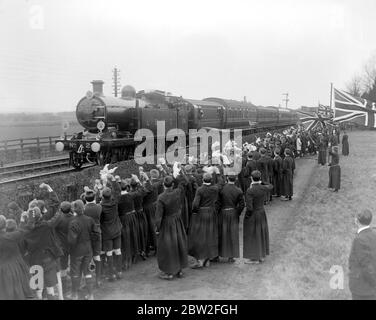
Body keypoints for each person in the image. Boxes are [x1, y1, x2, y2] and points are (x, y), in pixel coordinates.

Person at [23, 206, 63, 300]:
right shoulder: (46, 226)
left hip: (34, 261)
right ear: (40, 215)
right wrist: (59, 210)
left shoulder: (25, 230)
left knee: (38, 288)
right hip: (47, 259)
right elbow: (56, 218)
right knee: (50, 288)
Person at [155, 176, 188, 280]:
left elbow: (158, 216)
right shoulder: (178, 191)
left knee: (168, 247)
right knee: (179, 244)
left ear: (163, 185)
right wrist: (177, 173)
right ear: (173, 184)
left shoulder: (161, 197)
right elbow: (184, 182)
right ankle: (179, 270)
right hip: (177, 221)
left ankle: (169, 273)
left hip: (167, 224)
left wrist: (157, 228)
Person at [68, 200, 100, 300]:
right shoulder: (90, 220)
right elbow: (96, 234)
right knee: (88, 272)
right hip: (88, 249)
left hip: (77, 251)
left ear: (74, 209)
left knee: (75, 273)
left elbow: (71, 240)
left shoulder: (73, 222)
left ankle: (75, 295)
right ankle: (91, 295)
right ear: (84, 208)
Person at [0, 212, 35, 300]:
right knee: (19, 293)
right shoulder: (12, 236)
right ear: (5, 225)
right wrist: (30, 214)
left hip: (3, 271)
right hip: (17, 268)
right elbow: (27, 228)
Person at [188, 172, 219, 268]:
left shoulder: (200, 190)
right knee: (210, 234)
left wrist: (194, 212)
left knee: (200, 236)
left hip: (202, 213)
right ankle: (208, 257)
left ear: (202, 179)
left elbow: (195, 204)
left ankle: (201, 259)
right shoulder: (215, 188)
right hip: (211, 212)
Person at [243, 170, 273, 264]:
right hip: (261, 212)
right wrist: (262, 182)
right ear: (260, 178)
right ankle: (261, 255)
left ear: (251, 178)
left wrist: (247, 216)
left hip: (254, 213)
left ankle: (254, 258)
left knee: (252, 235)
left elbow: (249, 207)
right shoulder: (263, 187)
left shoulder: (250, 190)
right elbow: (271, 185)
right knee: (260, 233)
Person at [348, 210, 376, 300]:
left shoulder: (359, 240)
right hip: (370, 289)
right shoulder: (374, 235)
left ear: (356, 220)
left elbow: (366, 265)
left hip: (362, 288)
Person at [217, 172, 244, 263]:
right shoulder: (238, 190)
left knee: (221, 233)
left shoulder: (222, 189)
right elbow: (242, 205)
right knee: (232, 234)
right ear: (235, 179)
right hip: (233, 213)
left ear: (227, 178)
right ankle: (231, 256)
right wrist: (237, 213)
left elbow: (218, 202)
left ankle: (218, 254)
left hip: (223, 212)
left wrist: (218, 212)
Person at [54, 201, 75, 297]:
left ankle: (65, 290)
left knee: (63, 268)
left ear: (61, 209)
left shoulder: (59, 219)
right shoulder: (74, 218)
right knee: (74, 265)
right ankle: (75, 287)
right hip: (73, 245)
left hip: (62, 246)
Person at [83, 189, 103, 287]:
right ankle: (98, 279)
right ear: (94, 198)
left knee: (87, 257)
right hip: (97, 232)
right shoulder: (99, 207)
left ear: (85, 199)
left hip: (87, 234)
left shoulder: (84, 209)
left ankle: (89, 278)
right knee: (97, 256)